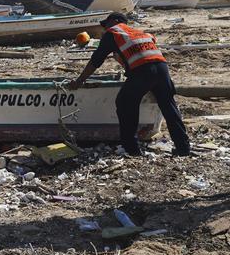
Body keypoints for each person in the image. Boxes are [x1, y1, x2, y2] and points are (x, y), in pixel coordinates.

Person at [66, 12, 192, 157]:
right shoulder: (140, 33)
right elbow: (141, 52)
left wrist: (79, 81)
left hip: (143, 70)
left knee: (125, 103)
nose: (104, 29)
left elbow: (96, 60)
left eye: (105, 24)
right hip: (162, 68)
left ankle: (131, 148)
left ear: (114, 21)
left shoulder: (113, 33)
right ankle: (183, 147)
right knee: (169, 106)